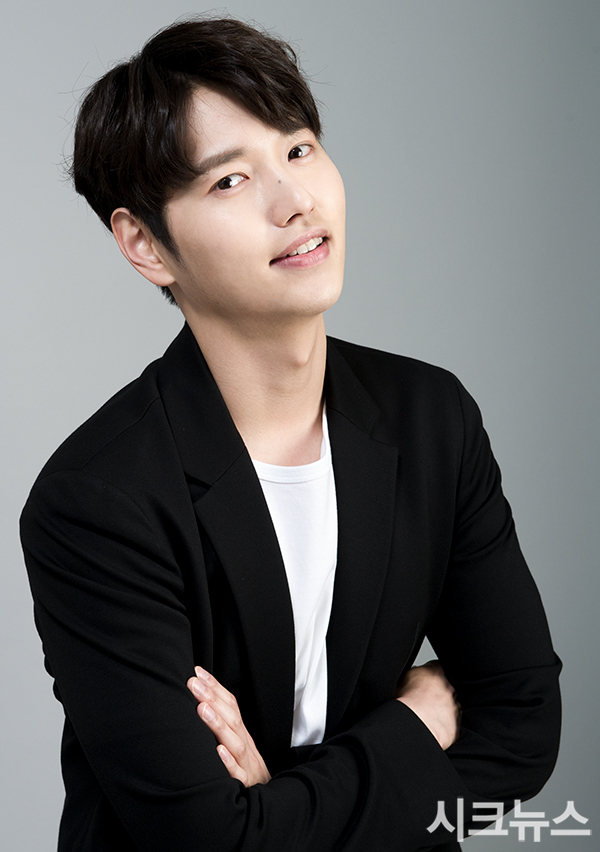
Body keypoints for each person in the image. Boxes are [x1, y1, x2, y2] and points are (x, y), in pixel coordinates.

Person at [20, 17, 561, 852]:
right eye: (231, 180)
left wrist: (280, 803)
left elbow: (524, 729)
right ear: (145, 244)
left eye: (300, 149)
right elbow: (203, 839)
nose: (296, 201)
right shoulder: (98, 500)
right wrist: (415, 725)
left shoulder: (431, 417)